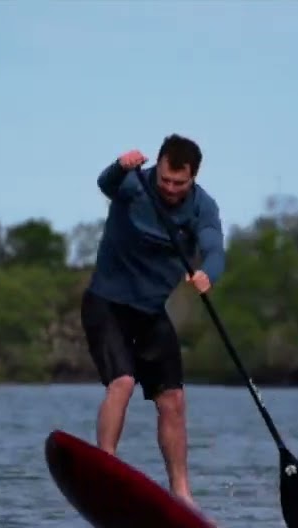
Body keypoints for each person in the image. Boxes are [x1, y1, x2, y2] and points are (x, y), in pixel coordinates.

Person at [80, 134, 226, 507]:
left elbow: (213, 247)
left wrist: (208, 273)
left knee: (174, 399)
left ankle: (182, 494)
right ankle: (106, 467)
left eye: (180, 183)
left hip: (149, 313)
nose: (171, 189)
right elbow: (105, 183)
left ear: (193, 178)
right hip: (107, 304)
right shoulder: (134, 184)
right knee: (123, 382)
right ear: (156, 167)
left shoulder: (202, 207)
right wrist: (119, 165)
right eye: (165, 180)